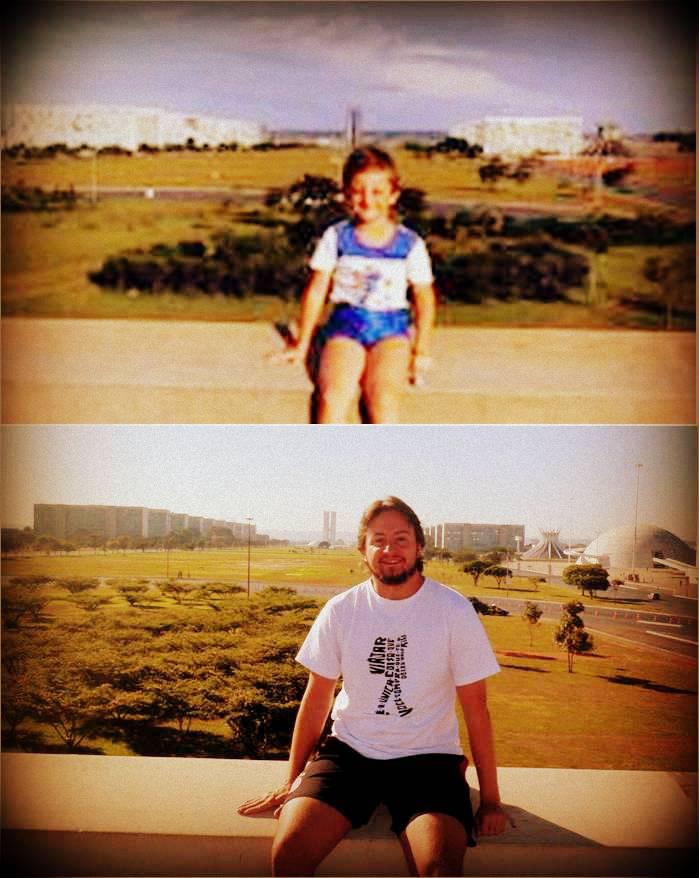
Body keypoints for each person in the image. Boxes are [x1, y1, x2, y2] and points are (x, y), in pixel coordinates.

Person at [238, 496, 509, 877]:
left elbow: (477, 708)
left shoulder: (453, 610)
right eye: (378, 540)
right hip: (349, 755)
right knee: (289, 853)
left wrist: (492, 801)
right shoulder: (341, 610)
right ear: (363, 550)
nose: (389, 550)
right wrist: (293, 780)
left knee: (440, 870)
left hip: (428, 761)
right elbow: (317, 700)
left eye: (401, 539)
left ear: (419, 546)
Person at [281, 146, 436, 424]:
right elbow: (317, 290)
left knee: (383, 397)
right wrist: (302, 343)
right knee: (333, 395)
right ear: (346, 195)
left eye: (377, 192)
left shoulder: (409, 244)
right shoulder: (337, 237)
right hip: (346, 326)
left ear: (393, 195)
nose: (367, 200)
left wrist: (421, 349)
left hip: (392, 331)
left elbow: (424, 298)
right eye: (358, 191)